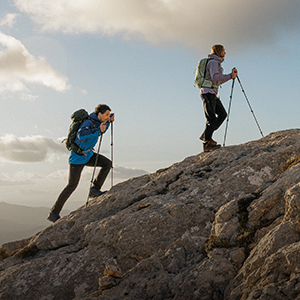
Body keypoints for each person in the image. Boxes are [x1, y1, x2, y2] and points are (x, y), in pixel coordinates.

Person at [47, 104, 114, 223]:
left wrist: (108, 123)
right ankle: (54, 213)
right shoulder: (88, 122)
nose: (108, 116)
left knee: (107, 164)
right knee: (71, 186)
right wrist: (99, 129)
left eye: (109, 114)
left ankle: (95, 190)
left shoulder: (99, 122)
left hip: (88, 155)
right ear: (99, 114)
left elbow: (101, 131)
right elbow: (81, 135)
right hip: (77, 158)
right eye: (106, 115)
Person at [199, 44, 237, 152]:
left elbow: (216, 79)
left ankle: (207, 136)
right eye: (224, 51)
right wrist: (230, 76)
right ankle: (207, 143)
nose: (225, 53)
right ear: (219, 51)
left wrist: (230, 76)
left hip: (212, 93)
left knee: (222, 114)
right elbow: (215, 78)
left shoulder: (216, 62)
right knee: (211, 118)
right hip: (208, 92)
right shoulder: (213, 62)